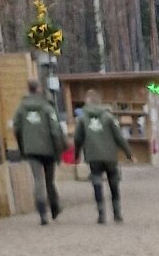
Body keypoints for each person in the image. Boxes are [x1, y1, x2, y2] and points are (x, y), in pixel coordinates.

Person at [10, 87, 67, 226]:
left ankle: (42, 213)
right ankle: (54, 207)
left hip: (31, 149)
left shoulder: (21, 108)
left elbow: (16, 127)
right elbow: (55, 130)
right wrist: (58, 150)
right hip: (49, 150)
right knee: (49, 180)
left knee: (38, 180)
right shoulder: (48, 108)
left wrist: (22, 146)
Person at [73, 92, 129, 225]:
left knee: (97, 183)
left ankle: (101, 214)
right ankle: (117, 213)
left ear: (88, 102)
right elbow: (119, 137)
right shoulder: (109, 117)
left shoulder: (82, 118)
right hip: (110, 156)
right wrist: (128, 153)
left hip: (93, 156)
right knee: (113, 183)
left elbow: (77, 138)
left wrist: (76, 154)